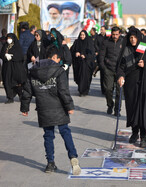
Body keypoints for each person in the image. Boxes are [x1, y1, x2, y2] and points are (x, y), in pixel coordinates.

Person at [20, 47, 81, 175]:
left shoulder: (33, 71)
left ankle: (50, 163)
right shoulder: (59, 71)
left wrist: (25, 108)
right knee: (65, 132)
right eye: (58, 59)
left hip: (43, 108)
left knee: (48, 136)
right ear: (55, 58)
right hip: (59, 108)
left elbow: (27, 91)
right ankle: (73, 158)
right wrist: (69, 106)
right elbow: (63, 91)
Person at [117, 27, 146, 148]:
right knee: (132, 109)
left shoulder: (144, 48)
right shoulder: (125, 50)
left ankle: (143, 137)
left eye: (135, 37)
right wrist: (120, 76)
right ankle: (134, 132)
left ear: (138, 37)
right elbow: (120, 66)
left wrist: (145, 64)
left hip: (144, 84)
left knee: (143, 110)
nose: (132, 40)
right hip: (131, 85)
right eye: (130, 37)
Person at [99, 26, 123, 116]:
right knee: (108, 89)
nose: (115, 36)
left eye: (117, 34)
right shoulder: (106, 42)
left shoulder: (123, 42)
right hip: (108, 69)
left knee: (119, 91)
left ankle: (117, 109)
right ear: (111, 34)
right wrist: (103, 67)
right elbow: (101, 56)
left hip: (119, 70)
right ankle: (110, 105)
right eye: (113, 34)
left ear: (119, 34)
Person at [0, 33, 27, 104]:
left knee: (17, 83)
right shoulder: (5, 46)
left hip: (16, 68)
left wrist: (12, 57)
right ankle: (10, 97)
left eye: (10, 38)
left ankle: (21, 95)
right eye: (8, 38)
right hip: (7, 67)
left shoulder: (17, 46)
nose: (8, 39)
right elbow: (1, 54)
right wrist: (5, 55)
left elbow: (20, 56)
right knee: (7, 82)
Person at [70, 30, 95, 96]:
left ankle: (83, 91)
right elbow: (72, 50)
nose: (82, 36)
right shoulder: (76, 42)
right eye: (81, 35)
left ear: (86, 35)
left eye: (83, 35)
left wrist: (85, 56)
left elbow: (92, 53)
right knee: (79, 77)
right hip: (78, 63)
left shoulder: (89, 42)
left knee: (85, 77)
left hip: (87, 63)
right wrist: (76, 53)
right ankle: (81, 89)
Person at [95, 26, 108, 94]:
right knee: (102, 73)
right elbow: (96, 45)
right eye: (101, 29)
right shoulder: (98, 37)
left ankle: (107, 88)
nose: (101, 31)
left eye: (102, 29)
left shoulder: (108, 36)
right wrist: (98, 51)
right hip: (100, 56)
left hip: (107, 57)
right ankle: (103, 89)